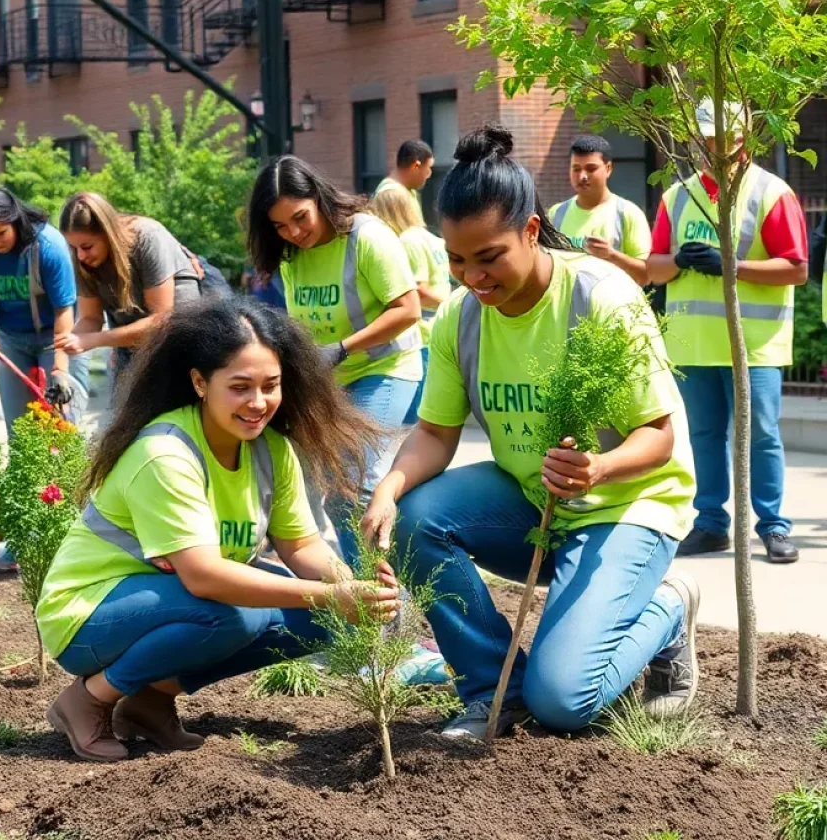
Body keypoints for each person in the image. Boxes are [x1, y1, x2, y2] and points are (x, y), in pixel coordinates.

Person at [360, 125, 700, 742]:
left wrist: (597, 469)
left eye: (489, 258)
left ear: (531, 231)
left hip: (627, 505)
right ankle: (494, 686)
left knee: (566, 701)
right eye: (457, 260)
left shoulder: (600, 298)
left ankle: (667, 606)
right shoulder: (461, 319)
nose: (472, 278)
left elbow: (659, 437)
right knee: (413, 515)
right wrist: (388, 489)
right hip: (532, 500)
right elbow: (434, 433)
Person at [36, 297, 397, 762]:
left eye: (271, 385)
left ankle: (148, 702)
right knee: (235, 613)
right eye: (240, 387)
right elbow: (204, 577)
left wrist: (349, 587)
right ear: (200, 382)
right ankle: (89, 699)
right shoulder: (166, 453)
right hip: (86, 616)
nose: (258, 402)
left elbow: (301, 543)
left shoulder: (271, 449)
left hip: (170, 603)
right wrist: (329, 594)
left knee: (320, 615)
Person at [647, 100, 808, 565]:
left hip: (753, 346)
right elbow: (653, 269)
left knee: (761, 435)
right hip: (693, 344)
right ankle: (711, 524)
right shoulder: (677, 196)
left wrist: (730, 266)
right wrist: (677, 261)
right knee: (703, 434)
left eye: (724, 139)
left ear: (743, 139)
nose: (714, 148)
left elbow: (795, 269)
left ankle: (773, 527)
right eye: (707, 139)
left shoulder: (771, 192)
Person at [246, 155, 423, 562]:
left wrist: (343, 348)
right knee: (306, 477)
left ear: (319, 197)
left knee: (350, 488)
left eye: (300, 218)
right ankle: (362, 590)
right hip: (329, 376)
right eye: (279, 226)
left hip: (385, 369)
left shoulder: (367, 236)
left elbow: (408, 309)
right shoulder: (290, 253)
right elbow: (300, 324)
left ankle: (377, 606)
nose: (292, 232)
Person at [0, 187, 88, 431]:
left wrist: (60, 369)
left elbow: (64, 310)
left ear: (15, 221)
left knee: (63, 425)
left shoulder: (48, 246)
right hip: (11, 340)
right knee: (20, 427)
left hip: (58, 336)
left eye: (1, 233)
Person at [56, 192, 202, 388]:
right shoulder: (81, 258)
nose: (81, 255)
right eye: (73, 248)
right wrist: (72, 341)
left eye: (87, 246)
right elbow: (91, 318)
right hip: (131, 342)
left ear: (108, 234)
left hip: (179, 341)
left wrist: (95, 340)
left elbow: (161, 321)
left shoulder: (148, 238)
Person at [369, 186, 451, 424]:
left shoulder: (407, 241)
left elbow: (418, 290)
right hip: (438, 330)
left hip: (422, 335)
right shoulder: (430, 238)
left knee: (413, 422)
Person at [548, 134, 652, 287]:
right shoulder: (556, 214)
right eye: (576, 169)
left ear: (608, 168)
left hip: (614, 307)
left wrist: (612, 255)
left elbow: (646, 276)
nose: (582, 176)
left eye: (591, 169)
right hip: (567, 309)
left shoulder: (627, 213)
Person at [372, 139, 435, 218]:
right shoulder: (391, 195)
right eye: (428, 168)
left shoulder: (407, 190)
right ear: (416, 166)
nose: (429, 174)